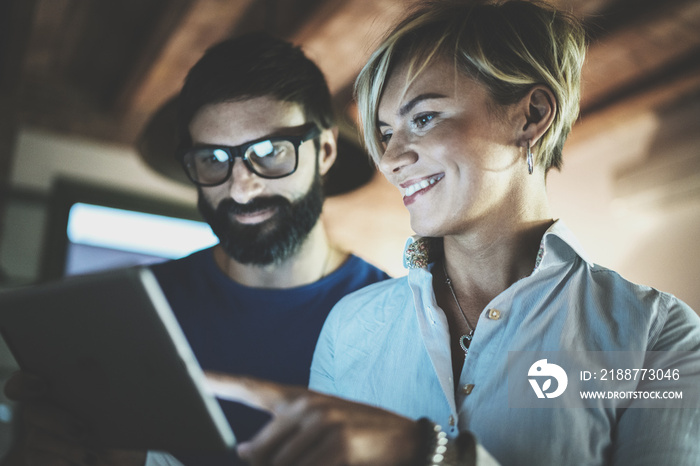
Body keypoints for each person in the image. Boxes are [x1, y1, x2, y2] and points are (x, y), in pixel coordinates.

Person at [203, 1, 700, 465]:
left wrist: (424, 450)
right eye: (385, 132)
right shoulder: (350, 327)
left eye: (424, 117)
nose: (393, 160)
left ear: (531, 115)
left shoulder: (657, 335)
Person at [2, 32, 389, 466]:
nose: (241, 188)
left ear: (325, 150)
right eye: (213, 159)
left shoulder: (400, 322)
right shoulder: (132, 312)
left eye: (270, 151)